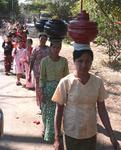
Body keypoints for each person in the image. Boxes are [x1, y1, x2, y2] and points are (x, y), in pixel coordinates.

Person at [52, 44, 120, 150]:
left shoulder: (97, 82)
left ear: (91, 62)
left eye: (88, 61)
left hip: (90, 133)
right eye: (80, 61)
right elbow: (59, 110)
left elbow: (102, 110)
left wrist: (111, 135)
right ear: (74, 61)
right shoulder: (66, 82)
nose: (84, 65)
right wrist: (57, 138)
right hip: (71, 134)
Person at [39, 40, 69, 144]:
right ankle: (46, 129)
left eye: (58, 47)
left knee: (58, 112)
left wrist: (67, 92)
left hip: (60, 89)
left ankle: (55, 133)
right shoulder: (44, 61)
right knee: (46, 112)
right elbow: (42, 78)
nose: (56, 49)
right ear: (50, 48)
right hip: (47, 90)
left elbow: (66, 78)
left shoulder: (64, 61)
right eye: (54, 47)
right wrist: (42, 92)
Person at [29, 34, 49, 105]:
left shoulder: (48, 49)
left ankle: (45, 103)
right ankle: (40, 104)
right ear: (39, 40)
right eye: (41, 39)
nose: (43, 41)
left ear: (46, 40)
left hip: (47, 72)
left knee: (45, 87)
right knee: (38, 88)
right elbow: (32, 60)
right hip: (37, 72)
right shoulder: (35, 49)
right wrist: (29, 72)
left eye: (44, 39)